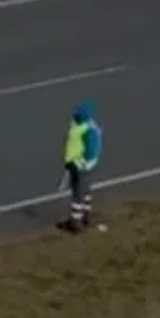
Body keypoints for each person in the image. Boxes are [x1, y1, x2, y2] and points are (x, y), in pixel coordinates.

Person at [58, 100, 102, 234]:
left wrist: (82, 163)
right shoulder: (82, 126)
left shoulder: (88, 131)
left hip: (81, 166)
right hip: (77, 164)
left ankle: (75, 223)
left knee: (78, 193)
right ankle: (85, 215)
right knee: (85, 190)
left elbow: (91, 151)